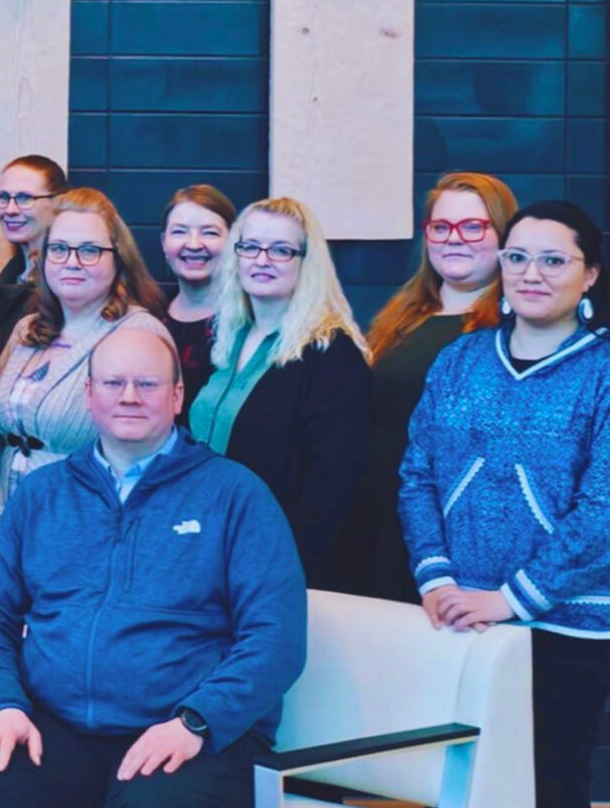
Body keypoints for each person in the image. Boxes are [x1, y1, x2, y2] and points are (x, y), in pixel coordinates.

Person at [0, 325, 307, 808]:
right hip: (61, 730)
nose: (129, 396)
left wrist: (198, 720)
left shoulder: (235, 495)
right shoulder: (43, 494)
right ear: (89, 395)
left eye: (147, 384)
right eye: (113, 383)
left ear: (177, 396)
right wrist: (2, 705)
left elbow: (276, 638)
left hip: (194, 735)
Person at [399, 200, 610, 808]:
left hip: (563, 625)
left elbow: (602, 509)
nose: (530, 273)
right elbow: (417, 475)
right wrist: (436, 578)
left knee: (548, 796)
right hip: (458, 618)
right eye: (517, 257)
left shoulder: (601, 370)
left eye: (553, 260)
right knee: (453, 800)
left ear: (590, 274)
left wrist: (510, 597)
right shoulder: (459, 360)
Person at [343, 171, 516, 604]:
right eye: (441, 226)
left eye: (472, 226)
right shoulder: (404, 315)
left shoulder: (512, 329)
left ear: (504, 237)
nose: (453, 239)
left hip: (448, 530)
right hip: (380, 512)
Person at [191, 196, 370, 585]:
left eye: (281, 250)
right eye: (251, 247)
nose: (262, 260)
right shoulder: (224, 339)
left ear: (307, 262)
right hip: (204, 548)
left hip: (274, 563)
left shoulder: (331, 354)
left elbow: (330, 488)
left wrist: (274, 565)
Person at [0, 187, 168, 535]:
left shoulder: (140, 333)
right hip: (8, 527)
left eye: (90, 250)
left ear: (119, 259)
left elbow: (148, 454)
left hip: (90, 531)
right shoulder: (25, 330)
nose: (72, 262)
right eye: (59, 249)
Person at [159, 183, 235, 407]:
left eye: (209, 233)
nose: (193, 244)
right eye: (180, 232)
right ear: (164, 242)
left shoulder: (249, 324)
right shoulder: (148, 317)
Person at [0, 154, 67, 351]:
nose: (10, 210)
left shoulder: (64, 281)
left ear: (58, 203)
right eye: (3, 198)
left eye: (25, 198)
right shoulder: (14, 273)